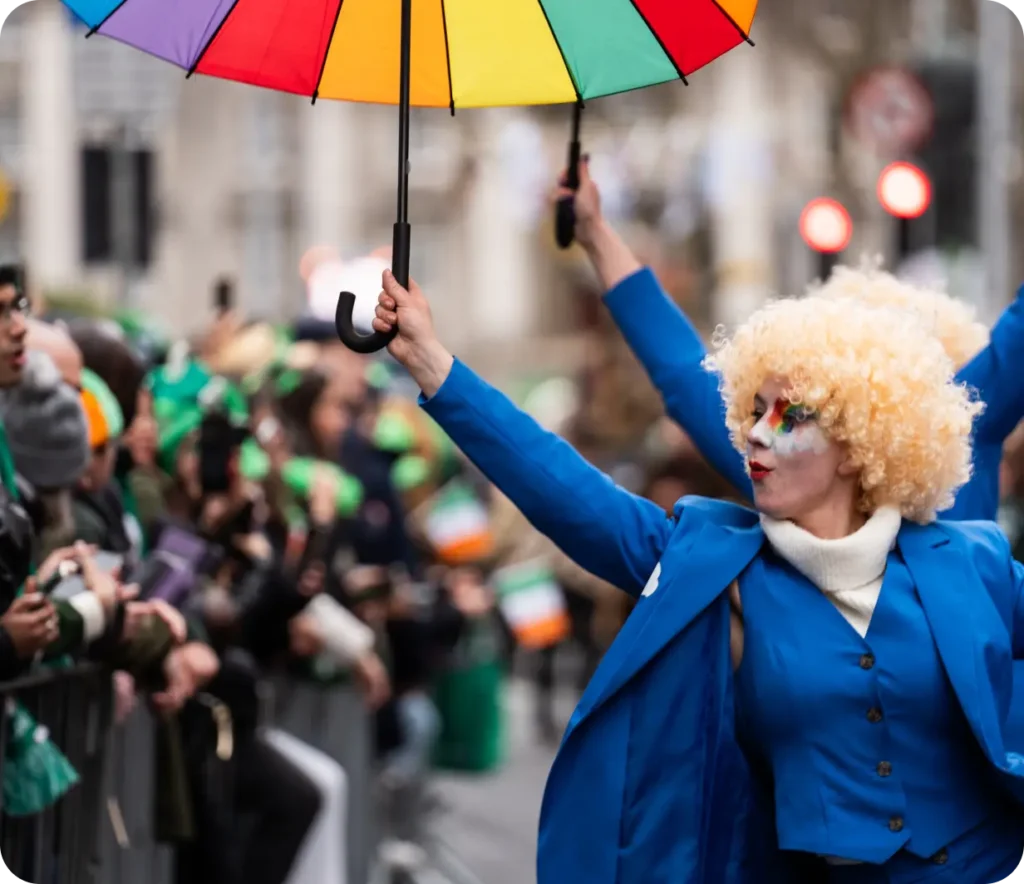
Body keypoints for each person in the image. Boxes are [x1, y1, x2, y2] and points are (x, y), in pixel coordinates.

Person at [372, 269, 1024, 883]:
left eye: (790, 415)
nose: (756, 437)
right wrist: (432, 363)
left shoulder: (972, 561)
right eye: (754, 411)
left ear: (859, 445)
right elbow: (562, 488)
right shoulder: (716, 567)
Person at [556, 161, 1024, 523]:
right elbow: (682, 371)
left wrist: (597, 234)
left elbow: (681, 369)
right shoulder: (781, 431)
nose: (761, 431)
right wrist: (595, 233)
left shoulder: (960, 422)